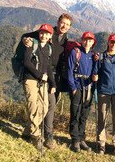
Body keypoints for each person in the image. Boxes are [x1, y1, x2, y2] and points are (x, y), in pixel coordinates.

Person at [21, 13, 73, 149]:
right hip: (40, 74)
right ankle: (46, 134)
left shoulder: (66, 40)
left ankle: (29, 130)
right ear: (58, 22)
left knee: (47, 105)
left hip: (53, 76)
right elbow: (27, 36)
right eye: (63, 23)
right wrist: (25, 40)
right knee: (48, 104)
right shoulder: (48, 32)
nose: (64, 26)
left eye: (67, 25)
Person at [22, 24, 56, 150]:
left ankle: (27, 131)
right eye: (42, 33)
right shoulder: (32, 44)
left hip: (43, 81)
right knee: (33, 106)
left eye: (47, 33)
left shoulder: (48, 48)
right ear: (39, 33)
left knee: (44, 107)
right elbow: (26, 62)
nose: (44, 35)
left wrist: (53, 83)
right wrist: (40, 75)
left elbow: (48, 67)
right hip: (30, 79)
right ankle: (36, 135)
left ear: (50, 36)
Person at [96, 33, 115, 157]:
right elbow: (96, 71)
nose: (113, 44)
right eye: (111, 42)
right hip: (103, 92)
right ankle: (101, 143)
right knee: (101, 119)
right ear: (108, 42)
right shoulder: (101, 57)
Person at [67, 31, 98, 153]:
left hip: (88, 87)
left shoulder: (93, 56)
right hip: (77, 86)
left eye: (90, 41)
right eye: (86, 40)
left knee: (84, 114)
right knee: (75, 113)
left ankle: (81, 138)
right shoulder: (76, 53)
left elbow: (95, 72)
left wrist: (95, 78)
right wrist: (73, 88)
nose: (87, 42)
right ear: (82, 40)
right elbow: (70, 71)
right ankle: (75, 139)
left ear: (93, 43)